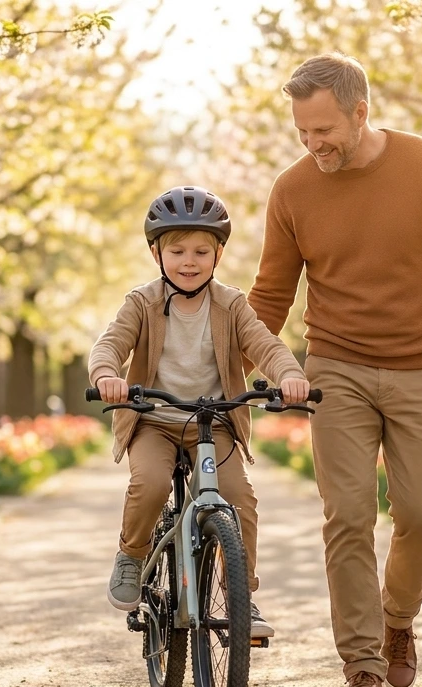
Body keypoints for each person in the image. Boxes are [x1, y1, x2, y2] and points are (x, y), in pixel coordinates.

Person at [248, 53, 422, 687]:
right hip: (335, 367)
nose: (313, 144)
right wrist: (227, 369)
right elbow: (271, 292)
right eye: (303, 132)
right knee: (349, 515)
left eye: (324, 130)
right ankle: (361, 667)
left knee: (421, 513)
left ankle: (397, 621)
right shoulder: (292, 190)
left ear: (361, 112)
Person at [89, 185, 311, 639]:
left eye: (200, 252)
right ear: (156, 254)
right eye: (177, 251)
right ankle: (131, 555)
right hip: (155, 421)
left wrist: (290, 375)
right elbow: (110, 344)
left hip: (213, 424)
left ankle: (240, 596)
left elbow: (266, 345)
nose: (188, 262)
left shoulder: (231, 305)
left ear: (218, 255)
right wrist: (107, 374)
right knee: (150, 483)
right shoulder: (142, 302)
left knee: (239, 498)